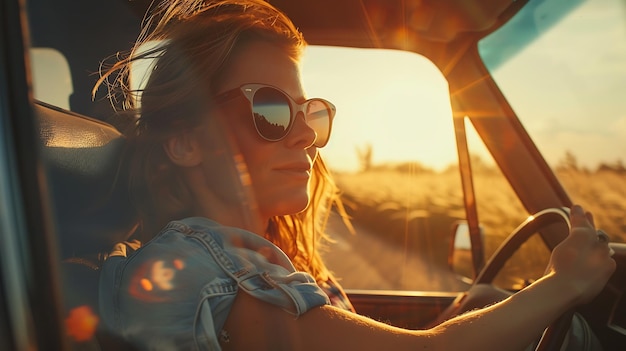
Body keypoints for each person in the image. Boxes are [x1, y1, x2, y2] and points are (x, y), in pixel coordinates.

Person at [94, 0, 616, 350]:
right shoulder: (203, 264)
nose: (303, 135)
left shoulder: (241, 257)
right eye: (271, 111)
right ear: (185, 142)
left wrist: (462, 311)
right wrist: (562, 284)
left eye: (310, 112)